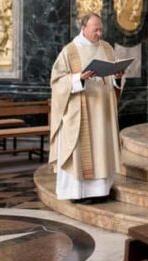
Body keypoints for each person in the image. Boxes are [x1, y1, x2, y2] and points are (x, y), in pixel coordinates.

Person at [49, 13, 124, 204]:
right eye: (95, 30)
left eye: (100, 29)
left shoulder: (106, 48)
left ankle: (100, 191)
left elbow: (114, 82)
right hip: (80, 111)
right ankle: (79, 193)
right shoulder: (70, 51)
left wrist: (117, 76)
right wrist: (78, 78)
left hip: (102, 112)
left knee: (101, 148)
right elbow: (57, 82)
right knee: (84, 152)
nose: (99, 33)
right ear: (83, 28)